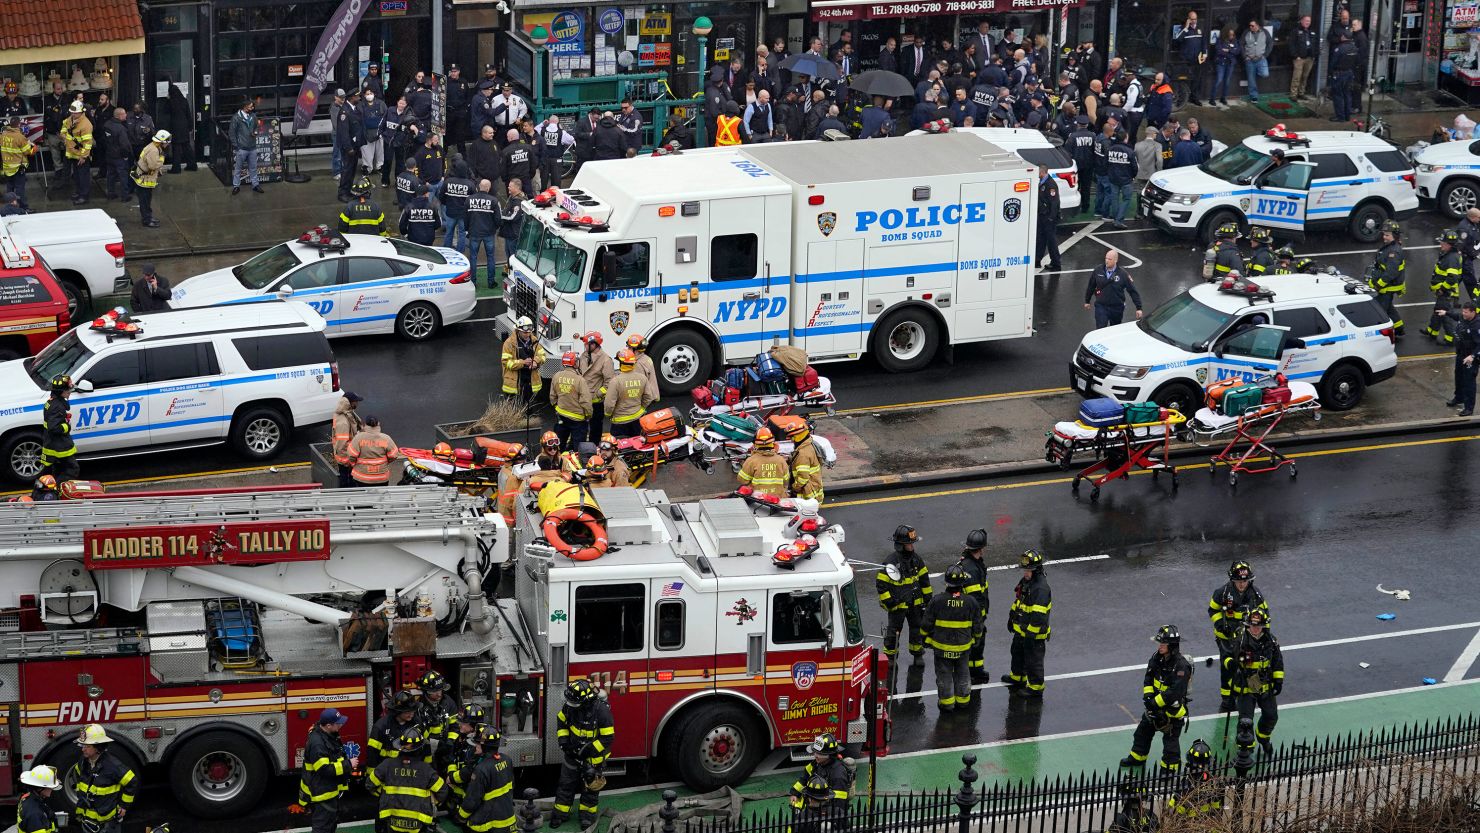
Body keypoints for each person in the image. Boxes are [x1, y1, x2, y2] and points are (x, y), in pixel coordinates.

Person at [1121, 625, 1193, 774]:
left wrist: (1155, 704)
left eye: (1163, 644)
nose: (1160, 646)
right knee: (1142, 733)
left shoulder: (1182, 666)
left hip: (1172, 712)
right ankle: (1137, 757)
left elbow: (1174, 692)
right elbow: (1148, 678)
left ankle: (1169, 770)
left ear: (1172, 646)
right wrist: (1148, 698)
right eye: (1159, 643)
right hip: (1154, 708)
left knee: (1170, 744)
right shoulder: (1156, 658)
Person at [1208, 560, 1271, 710]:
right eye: (1239, 581)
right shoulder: (1222, 593)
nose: (1242, 584)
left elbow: (1265, 616)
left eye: (1245, 581)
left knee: (1249, 663)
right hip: (1226, 638)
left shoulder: (1256, 595)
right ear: (1232, 580)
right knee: (1228, 665)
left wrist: (1266, 636)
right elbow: (1213, 610)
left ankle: (1252, 693)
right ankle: (1227, 698)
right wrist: (1221, 625)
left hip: (1248, 637)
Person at [552, 679, 614, 829]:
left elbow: (607, 738)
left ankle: (587, 817)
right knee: (566, 784)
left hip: (593, 759)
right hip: (572, 755)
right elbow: (561, 722)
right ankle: (560, 814)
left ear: (586, 700)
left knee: (590, 789)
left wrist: (589, 750)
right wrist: (564, 742)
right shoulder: (570, 706)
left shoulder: (601, 712)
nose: (570, 705)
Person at [923, 564, 983, 711]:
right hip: (963, 648)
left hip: (942, 649)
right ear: (962, 583)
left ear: (947, 582)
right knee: (963, 674)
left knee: (944, 676)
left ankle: (947, 704)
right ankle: (963, 702)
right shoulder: (971, 602)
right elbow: (978, 625)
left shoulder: (937, 601)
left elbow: (926, 624)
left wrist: (925, 639)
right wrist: (976, 638)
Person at [368, 726, 447, 833]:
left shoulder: (387, 765)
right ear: (420, 748)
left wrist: (383, 793)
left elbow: (369, 784)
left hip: (392, 820)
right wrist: (431, 802)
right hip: (418, 822)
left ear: (399, 746)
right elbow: (442, 791)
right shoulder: (426, 769)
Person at [1227, 609, 1283, 757]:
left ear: (1264, 626)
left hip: (1265, 687)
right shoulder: (1240, 640)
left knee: (1271, 716)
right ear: (1248, 625)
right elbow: (1227, 656)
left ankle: (1263, 738)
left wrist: (1278, 680)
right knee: (1245, 721)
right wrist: (1231, 664)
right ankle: (1246, 747)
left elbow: (1277, 661)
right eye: (1252, 625)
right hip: (1246, 688)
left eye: (1258, 626)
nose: (1255, 628)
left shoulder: (1271, 641)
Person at [878, 525, 931, 669]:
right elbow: (882, 584)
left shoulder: (917, 559)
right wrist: (889, 602)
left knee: (916, 629)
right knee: (893, 632)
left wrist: (928, 600)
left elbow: (924, 580)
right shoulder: (891, 562)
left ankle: (917, 654)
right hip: (898, 605)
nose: (912, 546)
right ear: (901, 545)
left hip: (915, 604)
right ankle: (890, 657)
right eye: (909, 543)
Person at [71, 724, 138, 833]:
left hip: (107, 824)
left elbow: (132, 781)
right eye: (82, 745)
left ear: (98, 747)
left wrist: (124, 806)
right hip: (87, 821)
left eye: (87, 746)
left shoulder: (113, 766)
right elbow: (79, 775)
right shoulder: (83, 761)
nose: (83, 749)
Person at [1003, 548, 1051, 697]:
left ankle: (1036, 688)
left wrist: (1030, 634)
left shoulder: (1040, 589)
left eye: (1028, 571)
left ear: (1036, 571)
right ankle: (1018, 678)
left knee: (1033, 661)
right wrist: (1012, 618)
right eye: (1024, 570)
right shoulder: (1026, 582)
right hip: (1021, 629)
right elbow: (1019, 602)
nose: (1025, 573)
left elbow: (1039, 616)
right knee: (1017, 653)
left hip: (1033, 634)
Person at [299, 708, 354, 833]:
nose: (341, 725)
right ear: (328, 725)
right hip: (321, 793)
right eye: (338, 723)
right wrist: (348, 764)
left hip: (327, 790)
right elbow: (324, 769)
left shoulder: (327, 734)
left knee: (330, 824)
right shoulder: (317, 743)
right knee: (322, 827)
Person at [458, 725, 516, 833]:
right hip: (508, 820)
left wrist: (461, 816)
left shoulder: (481, 769)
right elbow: (511, 787)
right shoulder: (507, 760)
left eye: (478, 744)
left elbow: (473, 799)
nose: (476, 746)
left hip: (487, 825)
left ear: (485, 747)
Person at [788, 733, 850, 827]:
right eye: (815, 752)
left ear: (829, 755)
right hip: (813, 807)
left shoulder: (838, 774)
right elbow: (804, 778)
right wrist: (794, 792)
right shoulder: (818, 763)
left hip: (824, 814)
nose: (815, 755)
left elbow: (839, 803)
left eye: (819, 753)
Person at [954, 530, 991, 684]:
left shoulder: (968, 563)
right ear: (981, 549)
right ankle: (972, 672)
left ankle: (975, 669)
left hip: (964, 614)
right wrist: (979, 619)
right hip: (972, 617)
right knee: (975, 643)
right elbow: (976, 599)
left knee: (975, 645)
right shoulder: (973, 569)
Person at [1084, 250, 1143, 328]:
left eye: (1109, 259)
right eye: (1106, 258)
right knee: (1100, 330)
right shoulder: (1098, 270)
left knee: (1114, 330)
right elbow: (1091, 286)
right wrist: (1087, 301)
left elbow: (1132, 291)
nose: (1106, 261)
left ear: (1116, 260)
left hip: (1117, 308)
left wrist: (1139, 308)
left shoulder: (1123, 274)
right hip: (1101, 306)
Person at [1367, 220, 1407, 337]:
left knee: (1381, 312)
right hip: (1386, 286)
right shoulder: (1389, 247)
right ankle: (1399, 329)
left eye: (1387, 235)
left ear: (1394, 236)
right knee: (1389, 309)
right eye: (1384, 234)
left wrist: (1379, 284)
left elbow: (1391, 272)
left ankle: (1382, 335)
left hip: (1387, 287)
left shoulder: (1394, 251)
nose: (1384, 237)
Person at [605, 348, 656, 438]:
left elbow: (609, 404)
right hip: (637, 420)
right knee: (637, 446)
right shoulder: (642, 378)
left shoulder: (615, 381)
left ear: (621, 363)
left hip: (620, 422)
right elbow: (648, 397)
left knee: (620, 448)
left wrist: (608, 414)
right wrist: (641, 408)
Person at [366, 689, 421, 769]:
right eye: (407, 712)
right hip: (389, 771)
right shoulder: (381, 727)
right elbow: (372, 755)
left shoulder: (417, 722)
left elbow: (425, 748)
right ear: (397, 711)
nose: (411, 714)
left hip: (413, 770)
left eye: (413, 711)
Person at [1427, 230, 1465, 343]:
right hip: (1444, 292)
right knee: (1438, 311)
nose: (1441, 245)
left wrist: (1442, 289)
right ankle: (1432, 331)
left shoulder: (1452, 258)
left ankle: (1450, 339)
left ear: (1449, 244)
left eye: (1443, 243)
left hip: (1446, 292)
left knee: (1446, 316)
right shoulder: (1448, 254)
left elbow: (1452, 277)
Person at [551, 351, 593, 450]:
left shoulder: (556, 376)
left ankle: (558, 462)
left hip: (561, 416)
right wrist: (588, 415)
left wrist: (557, 408)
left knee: (558, 445)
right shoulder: (579, 380)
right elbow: (586, 401)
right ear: (574, 363)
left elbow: (552, 397)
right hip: (578, 419)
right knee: (578, 448)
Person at [42, 375, 81, 481]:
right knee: (72, 469)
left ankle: (53, 491)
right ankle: (60, 489)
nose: (70, 392)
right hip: (60, 445)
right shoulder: (57, 406)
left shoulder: (51, 402)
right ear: (61, 392)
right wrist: (66, 426)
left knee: (56, 471)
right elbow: (53, 427)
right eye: (68, 390)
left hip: (53, 443)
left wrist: (63, 419)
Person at [502, 316, 546, 404]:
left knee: (529, 407)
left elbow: (543, 355)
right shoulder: (509, 343)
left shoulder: (534, 341)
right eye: (525, 332)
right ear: (518, 330)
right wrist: (523, 362)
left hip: (530, 380)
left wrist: (536, 361)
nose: (527, 335)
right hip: (515, 381)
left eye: (529, 332)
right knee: (513, 407)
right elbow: (506, 362)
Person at [346, 415, 399, 487]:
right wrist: (385, 463)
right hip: (381, 477)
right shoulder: (386, 438)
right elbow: (394, 455)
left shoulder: (359, 438)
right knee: (380, 497)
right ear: (378, 424)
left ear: (365, 425)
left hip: (362, 477)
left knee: (363, 497)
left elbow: (351, 455)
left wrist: (353, 464)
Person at [131, 128, 169, 228]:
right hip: (145, 180)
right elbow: (153, 166)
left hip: (146, 178)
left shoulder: (154, 147)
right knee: (145, 202)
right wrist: (162, 159)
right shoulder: (153, 150)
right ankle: (147, 220)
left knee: (147, 200)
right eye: (167, 142)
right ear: (162, 141)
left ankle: (149, 217)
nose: (168, 144)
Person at [738, 427, 789, 499]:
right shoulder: (781, 460)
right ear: (772, 443)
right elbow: (786, 480)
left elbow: (742, 480)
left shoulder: (751, 460)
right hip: (777, 499)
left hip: (758, 500)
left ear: (756, 444)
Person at [467, 180, 501, 288]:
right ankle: (491, 282)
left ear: (479, 187)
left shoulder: (469, 199)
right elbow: (498, 219)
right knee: (490, 257)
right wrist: (494, 229)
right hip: (488, 233)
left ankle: (473, 282)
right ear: (488, 188)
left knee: (473, 257)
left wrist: (468, 229)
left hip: (474, 232)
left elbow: (465, 217)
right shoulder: (494, 201)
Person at [330, 391, 365, 488]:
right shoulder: (343, 422)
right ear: (350, 403)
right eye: (356, 401)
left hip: (348, 457)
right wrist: (348, 462)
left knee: (349, 481)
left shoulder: (347, 412)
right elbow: (342, 444)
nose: (357, 403)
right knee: (346, 482)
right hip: (345, 460)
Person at [1450, 303, 1480, 416]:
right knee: (1458, 377)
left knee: (1469, 382)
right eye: (1463, 311)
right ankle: (1459, 398)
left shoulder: (1477, 325)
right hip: (1461, 354)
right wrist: (1446, 313)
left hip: (1470, 358)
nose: (1463, 314)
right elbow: (1457, 316)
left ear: (1473, 312)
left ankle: (1469, 408)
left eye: (1466, 312)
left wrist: (1472, 356)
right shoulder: (1464, 318)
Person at [1, 117, 37, 211]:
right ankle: (24, 208)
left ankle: (9, 208)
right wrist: (34, 148)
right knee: (20, 189)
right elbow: (27, 152)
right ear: (19, 125)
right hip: (18, 167)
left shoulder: (3, 135)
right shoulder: (20, 137)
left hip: (7, 167)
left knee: (10, 188)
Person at [335, 90, 365, 202]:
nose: (359, 98)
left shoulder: (354, 109)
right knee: (347, 170)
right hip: (349, 148)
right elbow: (344, 133)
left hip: (355, 146)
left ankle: (348, 190)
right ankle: (342, 193)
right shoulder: (345, 112)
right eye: (357, 96)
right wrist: (349, 148)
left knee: (352, 170)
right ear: (352, 98)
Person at [62, 101, 93, 205]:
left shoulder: (86, 125)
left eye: (75, 113)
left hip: (81, 155)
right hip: (72, 153)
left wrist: (83, 157)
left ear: (81, 112)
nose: (73, 114)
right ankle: (79, 192)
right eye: (71, 112)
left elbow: (87, 143)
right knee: (76, 176)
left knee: (83, 177)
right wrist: (63, 134)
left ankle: (84, 196)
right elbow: (64, 125)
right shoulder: (71, 119)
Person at [229, 98, 262, 196]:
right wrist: (236, 146)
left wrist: (255, 132)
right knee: (238, 169)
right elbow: (232, 133)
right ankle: (236, 186)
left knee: (253, 168)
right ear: (245, 107)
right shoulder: (236, 118)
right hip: (242, 148)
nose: (252, 107)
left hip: (252, 147)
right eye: (251, 106)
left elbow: (257, 126)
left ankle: (255, 185)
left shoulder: (253, 116)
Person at [440, 161, 474, 252]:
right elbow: (472, 200)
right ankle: (460, 252)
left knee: (449, 232)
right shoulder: (470, 184)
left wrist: (447, 204)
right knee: (462, 233)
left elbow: (441, 197)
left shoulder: (448, 182)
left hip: (451, 212)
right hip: (463, 214)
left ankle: (447, 251)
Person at [1105, 130, 1136, 228]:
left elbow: (1105, 163)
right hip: (1126, 179)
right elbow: (1135, 167)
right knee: (1126, 198)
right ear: (1125, 139)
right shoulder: (1130, 151)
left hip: (1113, 178)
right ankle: (1119, 219)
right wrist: (1132, 176)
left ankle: (1115, 217)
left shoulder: (1110, 149)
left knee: (1114, 198)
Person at [787, 419, 824, 503]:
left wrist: (794, 489)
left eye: (792, 436)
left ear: (799, 436)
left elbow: (802, 479)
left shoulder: (803, 454)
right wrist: (790, 459)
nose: (791, 440)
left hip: (806, 496)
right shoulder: (807, 445)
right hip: (813, 491)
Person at [16, 765, 62, 833]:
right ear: (40, 788)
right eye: (50, 786)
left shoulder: (27, 797)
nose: (52, 789)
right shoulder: (35, 815)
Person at [1175, 12, 1208, 105]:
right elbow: (1177, 40)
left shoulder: (1200, 29)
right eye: (1192, 19)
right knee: (1183, 79)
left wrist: (1205, 54)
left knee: (1196, 79)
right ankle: (1182, 99)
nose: (1194, 21)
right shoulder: (1183, 29)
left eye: (1195, 19)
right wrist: (1186, 27)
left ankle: (1194, 98)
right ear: (1188, 19)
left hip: (1197, 59)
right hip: (1185, 59)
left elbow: (1204, 42)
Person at [536, 114, 574, 191]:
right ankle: (555, 197)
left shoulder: (542, 130)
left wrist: (542, 124)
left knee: (543, 180)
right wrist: (562, 130)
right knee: (556, 181)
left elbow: (534, 129)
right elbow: (571, 140)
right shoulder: (561, 132)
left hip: (544, 159)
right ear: (558, 122)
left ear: (549, 121)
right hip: (556, 160)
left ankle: (542, 196)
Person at [1035, 165, 1062, 272]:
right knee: (1040, 239)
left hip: (1048, 217)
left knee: (1051, 241)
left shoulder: (1050, 185)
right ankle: (1037, 260)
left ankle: (1056, 263)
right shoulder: (1042, 183)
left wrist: (1051, 218)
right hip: (1042, 216)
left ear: (1042, 172)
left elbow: (1055, 203)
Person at [359, 87, 387, 179]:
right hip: (366, 132)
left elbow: (385, 116)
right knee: (367, 152)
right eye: (367, 94)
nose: (369, 95)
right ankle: (367, 168)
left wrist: (383, 131)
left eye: (371, 93)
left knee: (380, 151)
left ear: (374, 94)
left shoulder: (380, 103)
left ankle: (380, 167)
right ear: (364, 95)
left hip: (379, 132)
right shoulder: (361, 105)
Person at [1330, 33, 1359, 123]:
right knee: (1347, 94)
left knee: (1338, 95)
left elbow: (1333, 62)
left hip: (1339, 73)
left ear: (1343, 37)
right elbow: (1356, 61)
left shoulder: (1340, 48)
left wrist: (1331, 72)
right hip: (1349, 73)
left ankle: (1340, 116)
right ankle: (1347, 116)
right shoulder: (1354, 48)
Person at [1241, 19, 1272, 103]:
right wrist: (1245, 56)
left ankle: (1257, 71)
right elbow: (1241, 44)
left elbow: (1270, 43)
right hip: (1249, 60)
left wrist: (1265, 55)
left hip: (1261, 58)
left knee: (1265, 74)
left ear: (1257, 25)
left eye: (1252, 25)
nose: (1250, 27)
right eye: (1250, 25)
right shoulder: (1246, 32)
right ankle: (1254, 96)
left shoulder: (1264, 32)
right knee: (1251, 79)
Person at [1287, 15, 1317, 100]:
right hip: (1299, 58)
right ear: (1301, 21)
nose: (1307, 22)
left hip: (1309, 58)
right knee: (1297, 76)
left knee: (1305, 76)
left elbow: (1316, 43)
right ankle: (1293, 94)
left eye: (1309, 21)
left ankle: (1301, 92)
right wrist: (1296, 56)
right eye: (1306, 21)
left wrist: (1314, 55)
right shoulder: (1295, 31)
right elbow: (1291, 44)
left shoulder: (1312, 31)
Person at [499, 129, 534, 198]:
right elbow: (533, 164)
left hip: (512, 181)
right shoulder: (528, 147)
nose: (507, 138)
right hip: (526, 179)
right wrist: (530, 176)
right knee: (529, 200)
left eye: (507, 136)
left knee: (513, 200)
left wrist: (506, 180)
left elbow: (503, 168)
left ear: (511, 137)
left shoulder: (506, 151)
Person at [1211, 28, 1241, 107]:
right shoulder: (1220, 40)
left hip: (1230, 63)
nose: (1231, 36)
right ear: (1226, 34)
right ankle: (1212, 98)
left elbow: (1237, 51)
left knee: (1227, 81)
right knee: (1219, 80)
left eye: (1233, 35)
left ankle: (1223, 98)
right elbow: (1219, 51)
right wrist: (1231, 50)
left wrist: (1228, 50)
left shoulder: (1235, 40)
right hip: (1221, 63)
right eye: (1230, 34)